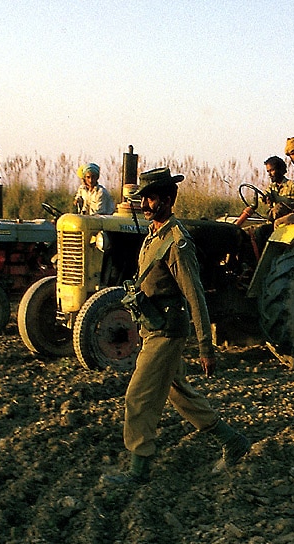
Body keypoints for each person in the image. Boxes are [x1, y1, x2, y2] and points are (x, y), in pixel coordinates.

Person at [111, 168, 251, 483]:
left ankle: (139, 469)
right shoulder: (154, 234)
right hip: (154, 326)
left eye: (152, 198)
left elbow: (195, 295)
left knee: (138, 396)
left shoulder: (176, 242)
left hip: (167, 331)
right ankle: (232, 440)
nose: (145, 204)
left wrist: (206, 347)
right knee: (178, 391)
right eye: (143, 198)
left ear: (169, 199)